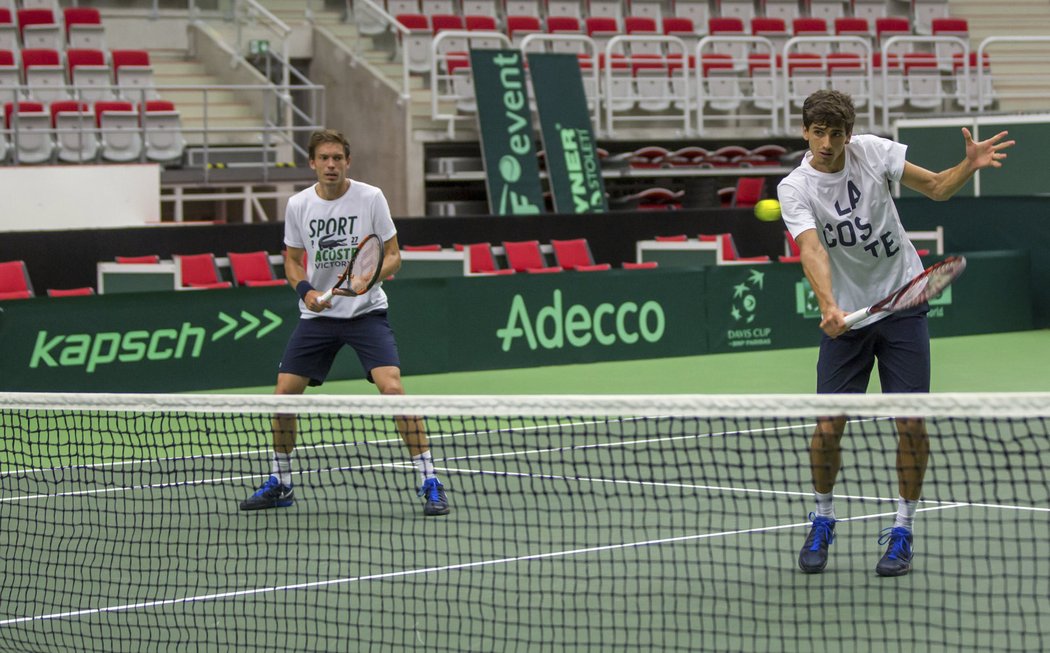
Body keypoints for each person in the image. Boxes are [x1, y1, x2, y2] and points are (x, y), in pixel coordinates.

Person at [777, 90, 1014, 576]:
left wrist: (967, 165)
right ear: (805, 132)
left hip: (903, 301)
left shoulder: (873, 153)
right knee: (827, 429)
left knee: (910, 424)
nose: (827, 143)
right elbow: (812, 249)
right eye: (818, 132)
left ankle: (903, 529)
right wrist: (828, 306)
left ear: (848, 134)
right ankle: (823, 517)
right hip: (848, 317)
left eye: (836, 134)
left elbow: (937, 188)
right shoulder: (795, 188)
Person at [239, 129, 450, 517]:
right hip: (317, 317)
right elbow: (291, 260)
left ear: (347, 161)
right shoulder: (299, 205)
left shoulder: (371, 197)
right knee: (283, 396)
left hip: (366, 313)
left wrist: (366, 280)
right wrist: (305, 292)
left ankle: (430, 480)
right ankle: (281, 482)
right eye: (324, 159)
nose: (331, 165)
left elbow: (393, 255)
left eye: (338, 158)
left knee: (393, 391)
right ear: (312, 163)